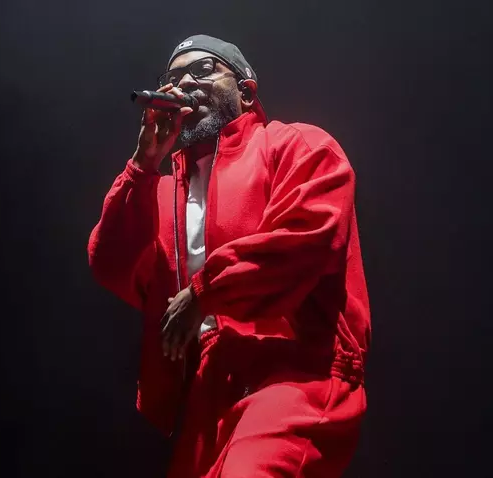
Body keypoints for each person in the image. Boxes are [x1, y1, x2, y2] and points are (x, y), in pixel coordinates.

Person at [88, 34, 371, 477]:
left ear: (246, 91)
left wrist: (203, 292)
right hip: (207, 391)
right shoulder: (162, 192)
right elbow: (111, 263)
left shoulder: (296, 145)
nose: (184, 85)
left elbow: (305, 237)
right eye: (172, 79)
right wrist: (143, 165)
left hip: (295, 370)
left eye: (202, 71)